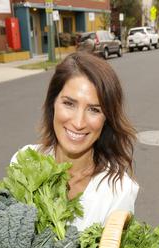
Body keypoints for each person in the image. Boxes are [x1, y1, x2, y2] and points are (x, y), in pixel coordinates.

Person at [11, 52, 139, 231]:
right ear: (52, 103)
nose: (78, 123)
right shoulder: (24, 161)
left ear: (106, 119)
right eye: (69, 104)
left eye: (94, 110)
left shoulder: (118, 191)